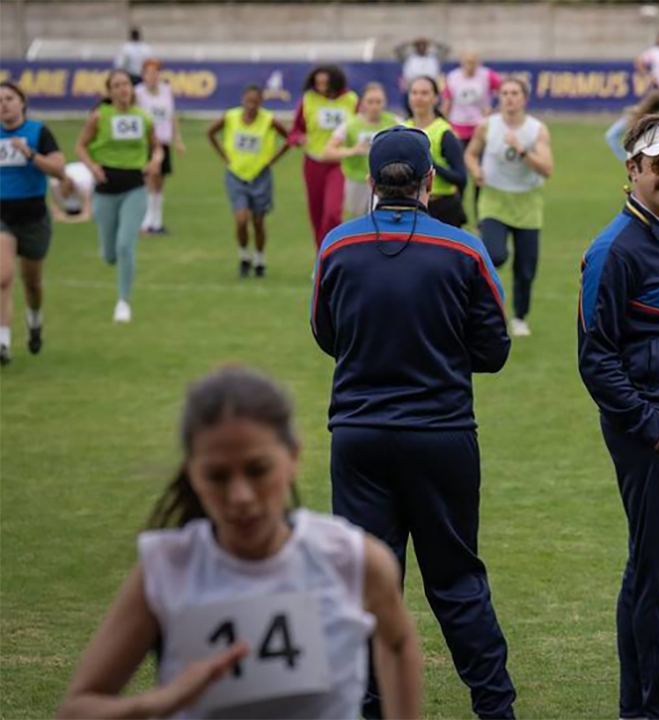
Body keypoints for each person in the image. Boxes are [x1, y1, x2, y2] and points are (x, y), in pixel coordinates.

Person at [56, 366, 423, 720]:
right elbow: (76, 709)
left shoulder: (351, 560)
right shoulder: (165, 568)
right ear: (192, 474)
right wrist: (161, 701)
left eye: (257, 469)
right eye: (217, 476)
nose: (241, 496)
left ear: (293, 456)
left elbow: (399, 642)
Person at [311, 127, 516, 720]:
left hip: (359, 436)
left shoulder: (337, 247)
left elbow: (327, 335)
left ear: (371, 184)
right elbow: (495, 350)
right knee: (457, 582)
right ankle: (495, 708)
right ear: (431, 180)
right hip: (441, 435)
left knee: (369, 587)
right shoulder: (465, 248)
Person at [578, 115, 659, 720]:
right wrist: (655, 431)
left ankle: (640, 709)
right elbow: (596, 358)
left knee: (648, 571)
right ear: (632, 169)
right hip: (656, 432)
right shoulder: (614, 249)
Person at [465, 78, 552, 337]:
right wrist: (476, 170)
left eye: (514, 93)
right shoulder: (487, 126)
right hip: (494, 201)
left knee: (525, 269)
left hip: (527, 204)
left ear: (524, 98)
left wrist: (522, 150)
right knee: (495, 255)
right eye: (504, 93)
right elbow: (470, 153)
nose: (509, 98)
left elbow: (547, 169)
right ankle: (481, 306)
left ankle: (519, 318)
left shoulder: (537, 130)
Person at [75, 69, 164, 324]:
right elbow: (80, 145)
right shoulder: (99, 117)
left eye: (126, 84)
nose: (123, 89)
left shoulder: (143, 117)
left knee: (126, 245)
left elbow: (157, 146)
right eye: (117, 85)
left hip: (135, 187)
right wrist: (92, 167)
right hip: (105, 189)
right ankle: (110, 254)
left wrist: (155, 161)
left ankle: (123, 302)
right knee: (110, 255)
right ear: (109, 91)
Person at [1, 81, 66, 366]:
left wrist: (30, 155)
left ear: (22, 103)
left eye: (9, 98)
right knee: (2, 277)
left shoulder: (39, 132)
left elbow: (60, 170)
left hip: (33, 217)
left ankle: (35, 320)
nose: (4, 104)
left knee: (32, 284)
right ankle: (2, 342)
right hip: (2, 216)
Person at [208, 84, 291, 278]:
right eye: (248, 101)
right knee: (241, 219)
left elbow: (289, 139)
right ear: (242, 100)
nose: (251, 105)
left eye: (255, 102)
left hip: (260, 175)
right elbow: (211, 133)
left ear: (261, 102)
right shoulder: (231, 117)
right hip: (236, 174)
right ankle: (244, 256)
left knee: (258, 221)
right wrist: (223, 155)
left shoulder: (268, 120)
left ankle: (260, 259)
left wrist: (272, 160)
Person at [289, 65, 358, 249]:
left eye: (324, 83)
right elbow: (295, 129)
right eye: (317, 83)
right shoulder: (307, 100)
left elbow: (360, 125)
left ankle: (333, 250)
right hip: (313, 163)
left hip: (339, 163)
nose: (320, 87)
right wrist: (298, 139)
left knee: (332, 213)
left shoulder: (351, 100)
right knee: (316, 215)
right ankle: (321, 258)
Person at [322, 82, 401, 219]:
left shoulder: (394, 122)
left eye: (378, 102)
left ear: (385, 102)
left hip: (385, 181)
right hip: (357, 180)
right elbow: (327, 152)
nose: (375, 106)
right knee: (359, 219)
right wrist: (353, 151)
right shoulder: (350, 125)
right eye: (370, 102)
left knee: (382, 218)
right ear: (362, 103)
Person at [401, 76, 469, 228]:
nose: (418, 98)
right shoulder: (403, 129)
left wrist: (430, 163)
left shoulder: (444, 132)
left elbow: (461, 178)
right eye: (414, 93)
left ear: (435, 98)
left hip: (442, 206)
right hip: (411, 205)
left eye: (424, 93)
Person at [134, 59, 184, 235]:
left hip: (163, 140)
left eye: (156, 72)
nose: (153, 76)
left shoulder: (166, 90)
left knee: (160, 182)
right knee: (150, 179)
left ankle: (157, 221)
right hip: (146, 142)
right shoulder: (138, 93)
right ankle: (146, 221)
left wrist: (177, 139)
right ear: (143, 74)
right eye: (149, 72)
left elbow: (171, 115)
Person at [442, 49, 501, 146]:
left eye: (473, 62)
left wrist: (495, 111)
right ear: (462, 62)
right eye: (468, 62)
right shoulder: (452, 77)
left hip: (480, 124)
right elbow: (446, 102)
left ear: (479, 62)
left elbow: (504, 90)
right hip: (458, 124)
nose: (470, 65)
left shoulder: (487, 75)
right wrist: (445, 123)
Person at [48, 160, 95, 225]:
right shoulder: (54, 182)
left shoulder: (84, 184)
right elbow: (54, 210)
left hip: (89, 176)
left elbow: (86, 215)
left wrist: (66, 219)